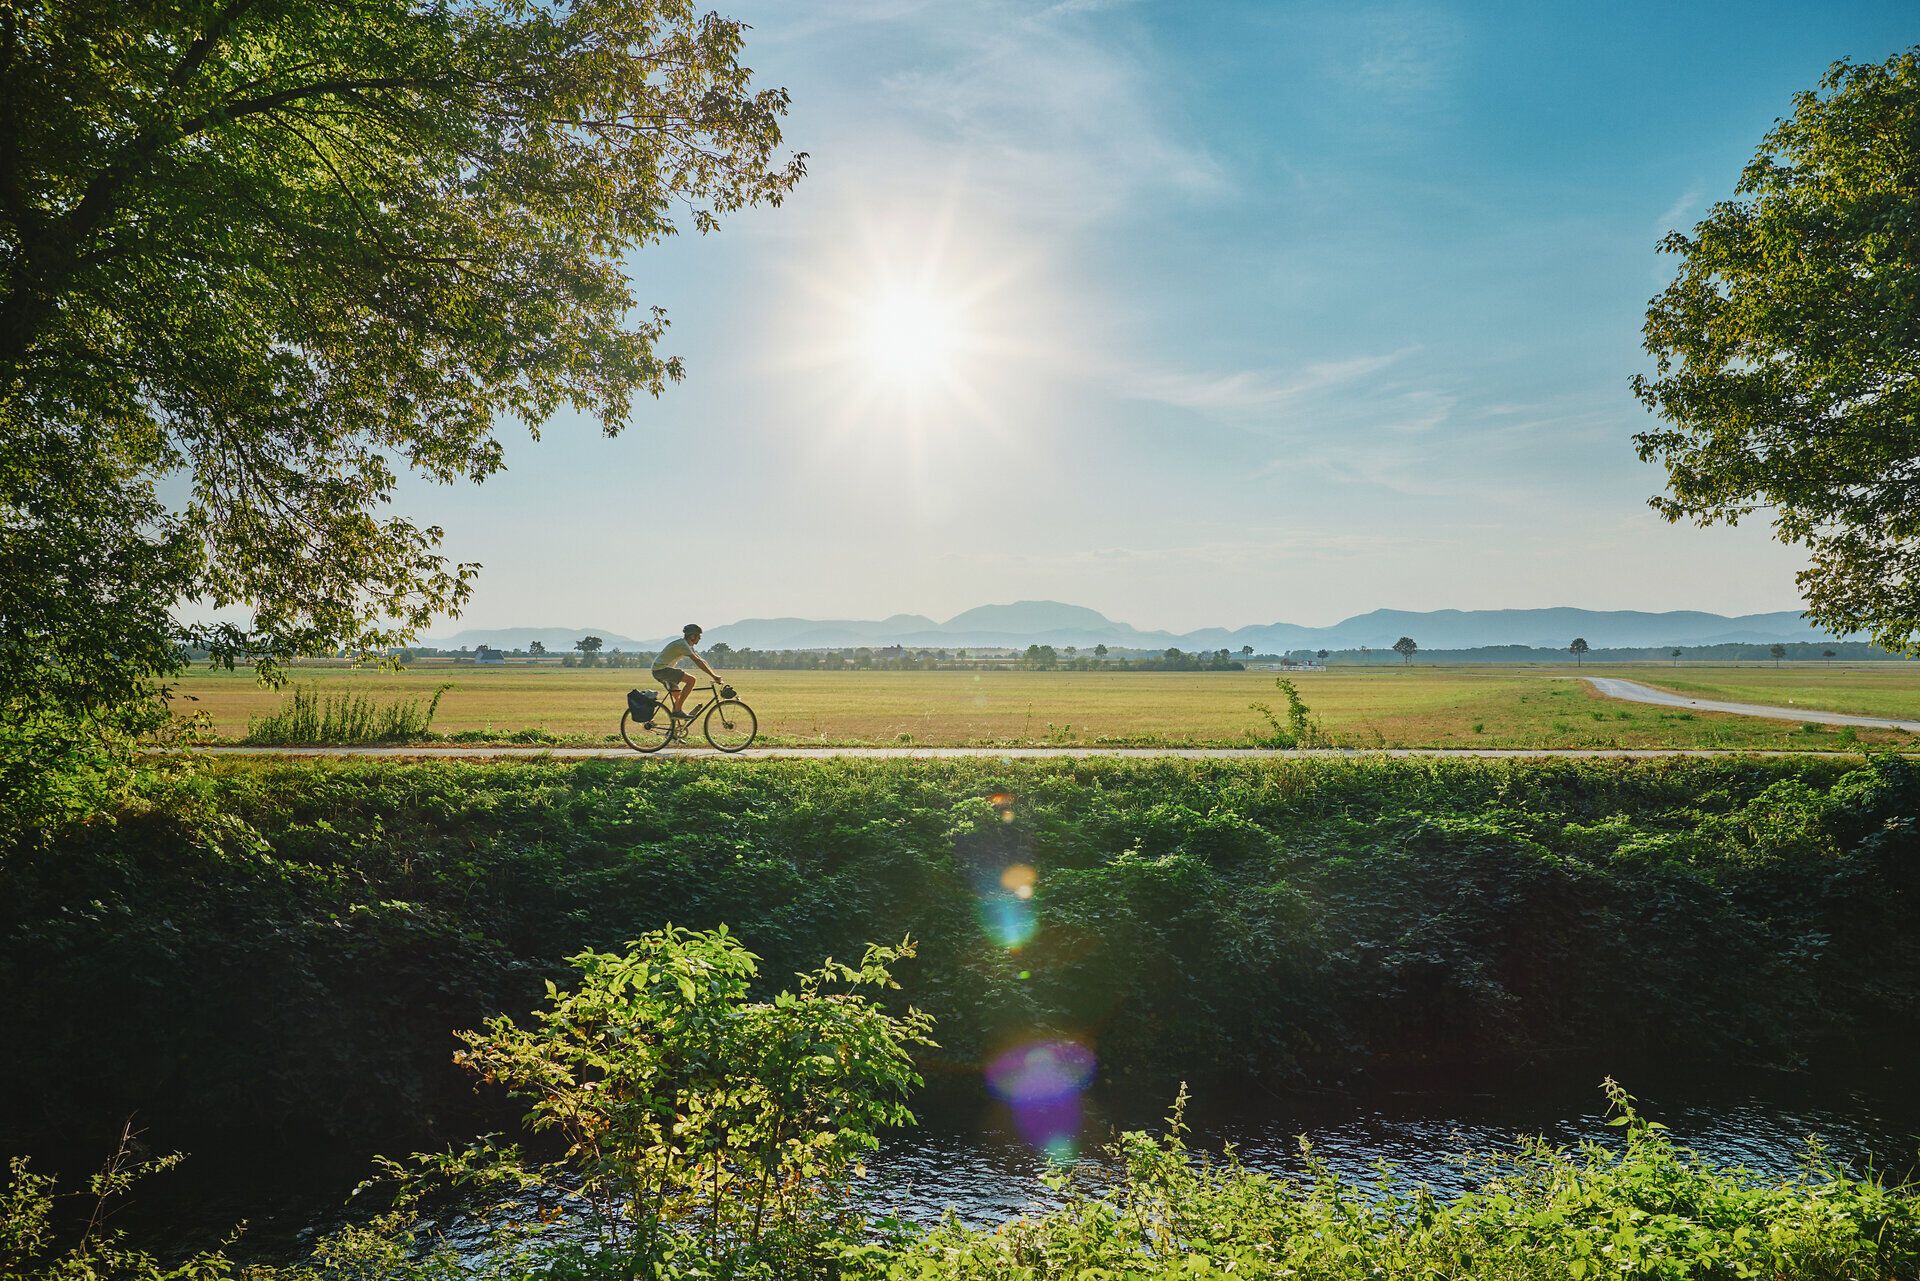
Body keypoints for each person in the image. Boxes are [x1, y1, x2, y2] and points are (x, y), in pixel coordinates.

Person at [650, 623, 720, 720]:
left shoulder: (687, 645)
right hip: (662, 670)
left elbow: (701, 660)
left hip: (659, 670)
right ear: (692, 636)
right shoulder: (682, 645)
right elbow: (697, 662)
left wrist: (714, 674)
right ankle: (677, 711)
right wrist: (714, 676)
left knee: (678, 699)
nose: (700, 638)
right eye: (698, 636)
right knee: (691, 680)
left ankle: (675, 724)